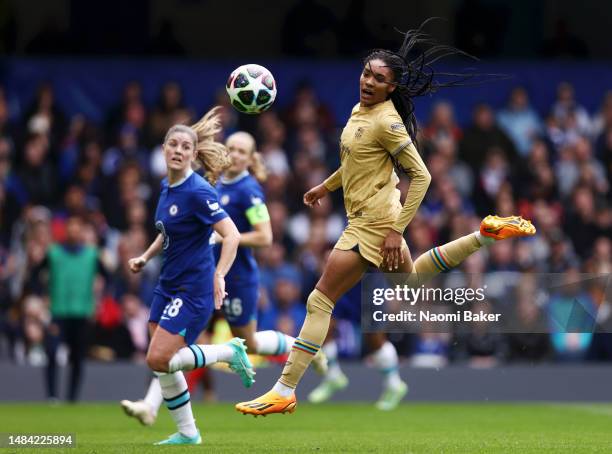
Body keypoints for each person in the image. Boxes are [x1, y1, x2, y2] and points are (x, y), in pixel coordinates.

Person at [236, 21, 536, 416]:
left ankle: (285, 388)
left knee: (319, 299)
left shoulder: (387, 121)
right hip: (374, 218)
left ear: (391, 87)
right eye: (366, 73)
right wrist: (326, 187)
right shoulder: (361, 110)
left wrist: (396, 231)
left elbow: (423, 175)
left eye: (378, 79)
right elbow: (355, 163)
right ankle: (482, 234)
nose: (369, 82)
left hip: (374, 223)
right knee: (410, 282)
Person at [122, 130, 326, 425]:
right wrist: (147, 256)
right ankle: (152, 407)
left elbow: (265, 236)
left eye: (243, 151)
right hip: (200, 272)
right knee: (172, 344)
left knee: (249, 343)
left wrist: (221, 242)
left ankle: (302, 347)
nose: (236, 155)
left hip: (235, 277)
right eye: (231, 148)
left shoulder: (248, 191)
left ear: (251, 158)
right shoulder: (206, 183)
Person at [120, 108, 255, 445]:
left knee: (157, 358)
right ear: (164, 150)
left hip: (193, 288)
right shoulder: (167, 187)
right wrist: (145, 256)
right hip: (167, 284)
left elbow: (233, 235)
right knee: (164, 362)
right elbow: (168, 232)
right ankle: (188, 433)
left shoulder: (198, 192)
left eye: (185, 147)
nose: (178, 151)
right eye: (173, 145)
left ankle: (228, 352)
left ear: (194, 155)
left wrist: (220, 275)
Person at [32, 215, 107, 402]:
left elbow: (108, 277)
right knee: (51, 352)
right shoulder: (54, 253)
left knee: (77, 358)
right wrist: (42, 296)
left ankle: (72, 398)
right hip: (58, 312)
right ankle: (52, 396)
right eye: (70, 227)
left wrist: (99, 299)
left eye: (77, 227)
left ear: (81, 231)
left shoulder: (91, 255)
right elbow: (34, 275)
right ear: (65, 231)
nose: (73, 231)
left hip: (82, 313)